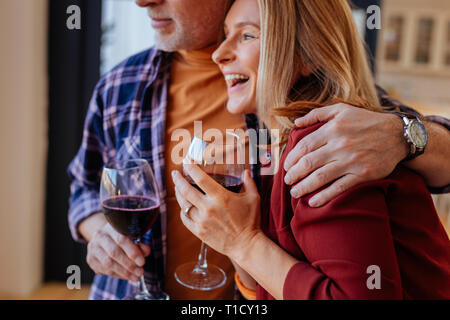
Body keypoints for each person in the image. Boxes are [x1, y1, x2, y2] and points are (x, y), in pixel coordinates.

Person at [68, 0, 450, 300]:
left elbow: (418, 148)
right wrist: (100, 232)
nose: (142, 1)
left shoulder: (306, 99)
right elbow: (84, 186)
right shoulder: (119, 85)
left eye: (246, 35)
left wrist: (404, 136)